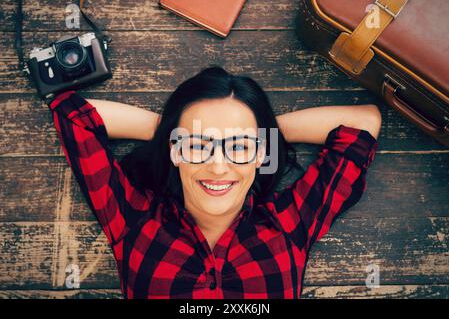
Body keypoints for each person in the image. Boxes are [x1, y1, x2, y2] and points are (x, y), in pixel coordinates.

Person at [47, 66, 381, 299]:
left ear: (261, 154)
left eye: (239, 147)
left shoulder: (290, 224)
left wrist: (257, 128)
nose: (218, 166)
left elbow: (363, 122)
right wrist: (173, 129)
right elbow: (74, 116)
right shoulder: (132, 219)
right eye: (196, 146)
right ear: (174, 151)